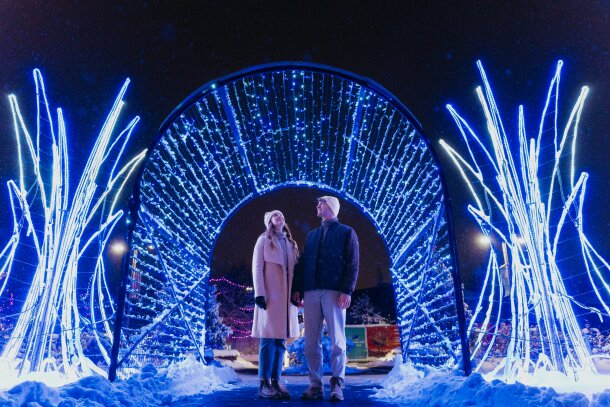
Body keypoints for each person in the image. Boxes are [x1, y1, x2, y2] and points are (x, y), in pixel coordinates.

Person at [291, 196, 359, 401]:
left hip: (335, 292)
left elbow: (353, 262)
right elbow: (302, 264)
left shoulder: (347, 232)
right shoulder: (311, 236)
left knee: (338, 340)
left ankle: (337, 383)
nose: (317, 206)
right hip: (311, 292)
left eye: (321, 203)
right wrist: (297, 288)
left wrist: (347, 290)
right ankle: (315, 385)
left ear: (331, 207)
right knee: (311, 341)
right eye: (317, 204)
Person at [251, 210, 300, 399]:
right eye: (275, 215)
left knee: (280, 341)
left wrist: (297, 293)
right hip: (270, 297)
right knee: (267, 339)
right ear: (269, 221)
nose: (279, 216)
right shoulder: (263, 240)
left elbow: (296, 271)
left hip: (287, 300)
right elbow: (257, 267)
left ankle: (276, 380)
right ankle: (264, 383)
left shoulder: (290, 243)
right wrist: (259, 293)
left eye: (281, 214)